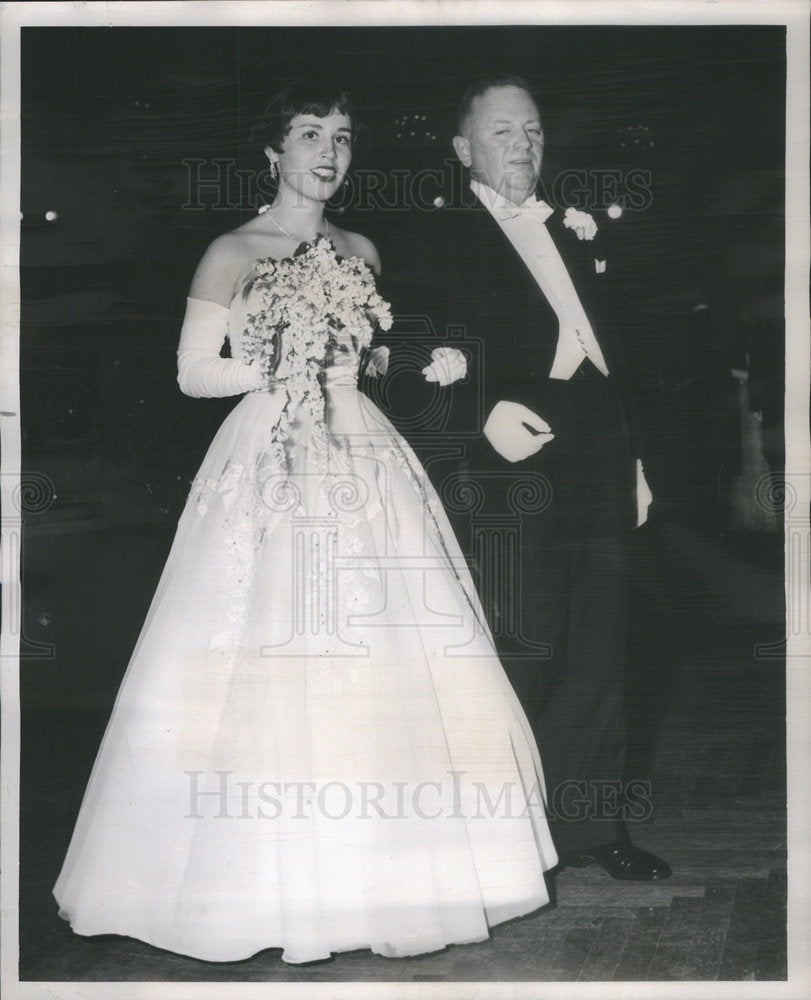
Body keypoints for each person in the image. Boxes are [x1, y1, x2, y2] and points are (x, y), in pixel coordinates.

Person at [52, 80, 558, 966]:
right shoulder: (231, 251)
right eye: (310, 134)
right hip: (268, 461)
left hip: (361, 450)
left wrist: (408, 362)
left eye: (344, 137)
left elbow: (367, 355)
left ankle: (390, 876)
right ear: (272, 153)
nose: (329, 152)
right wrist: (279, 364)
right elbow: (191, 374)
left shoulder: (360, 247)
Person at [372, 75, 670, 880]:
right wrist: (477, 418)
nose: (523, 146)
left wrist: (635, 458)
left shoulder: (575, 228)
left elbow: (619, 354)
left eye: (533, 131)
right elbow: (394, 360)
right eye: (502, 132)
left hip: (600, 451)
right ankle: (499, 841)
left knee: (601, 642)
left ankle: (589, 828)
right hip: (511, 461)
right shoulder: (429, 239)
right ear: (463, 148)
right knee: (525, 645)